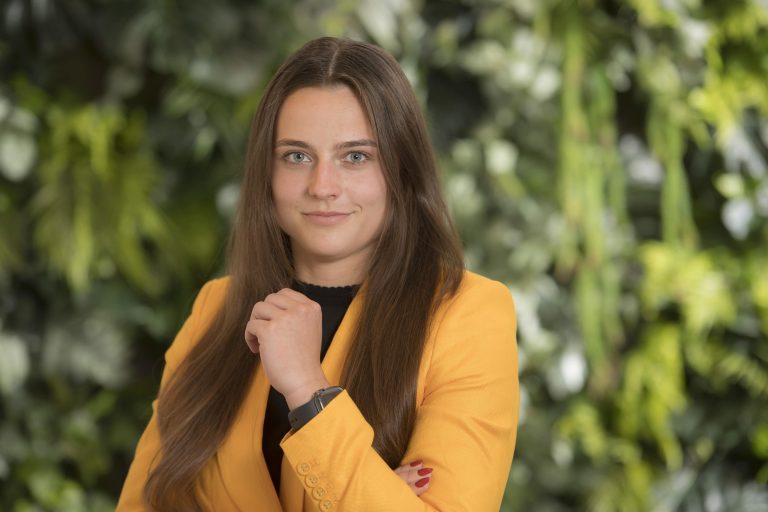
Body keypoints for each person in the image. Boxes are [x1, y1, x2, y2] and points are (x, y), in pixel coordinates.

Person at [117, 36, 518, 512]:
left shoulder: (468, 314)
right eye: (297, 156)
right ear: (266, 173)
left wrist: (308, 391)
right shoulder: (215, 308)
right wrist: (375, 491)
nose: (322, 186)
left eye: (356, 156)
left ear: (402, 170)